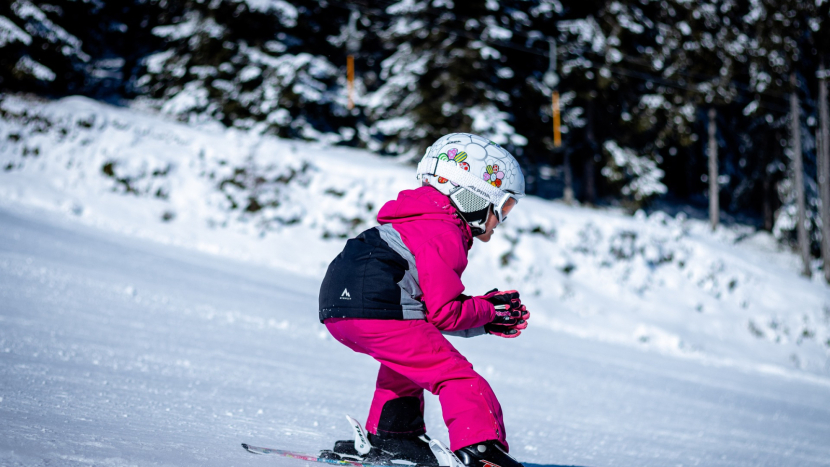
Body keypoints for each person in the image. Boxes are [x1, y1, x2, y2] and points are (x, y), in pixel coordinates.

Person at [318, 133, 530, 467]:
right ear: (473, 196)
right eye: (503, 207)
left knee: (407, 363)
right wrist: (488, 310)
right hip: (376, 305)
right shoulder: (444, 231)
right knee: (457, 377)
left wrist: (483, 318)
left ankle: (395, 437)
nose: (502, 220)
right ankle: (480, 451)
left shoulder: (416, 223)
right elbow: (445, 314)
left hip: (340, 306)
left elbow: (428, 315)